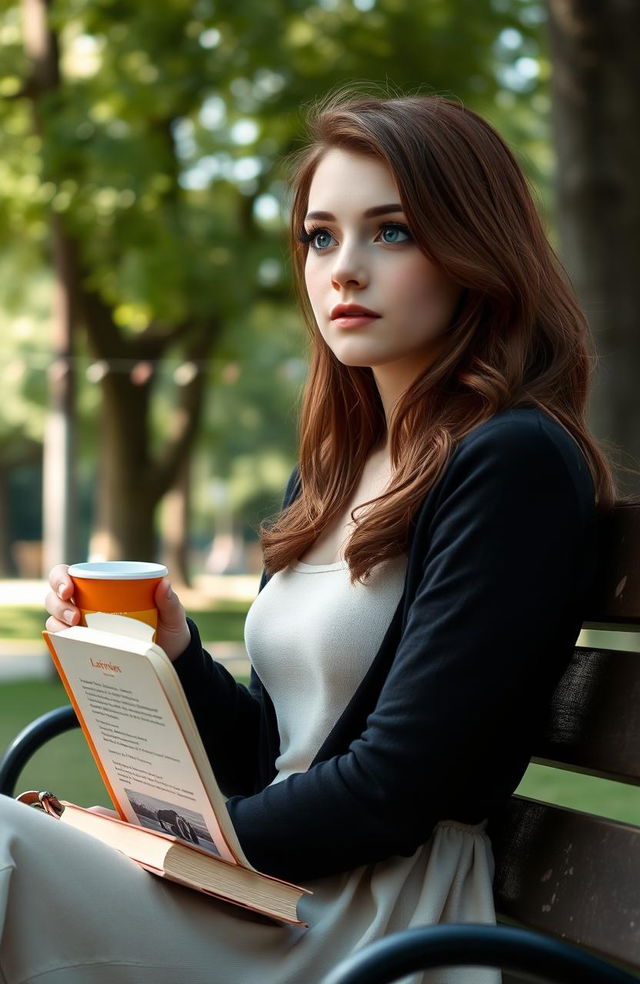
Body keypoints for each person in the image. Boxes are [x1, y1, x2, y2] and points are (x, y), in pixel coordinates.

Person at [0, 90, 615, 984]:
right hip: (269, 886)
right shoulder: (338, 468)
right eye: (320, 237)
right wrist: (172, 652)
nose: (344, 269)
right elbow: (274, 756)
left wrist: (163, 846)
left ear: (476, 251)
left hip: (373, 918)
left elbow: (393, 790)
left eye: (392, 231)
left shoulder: (512, 463)